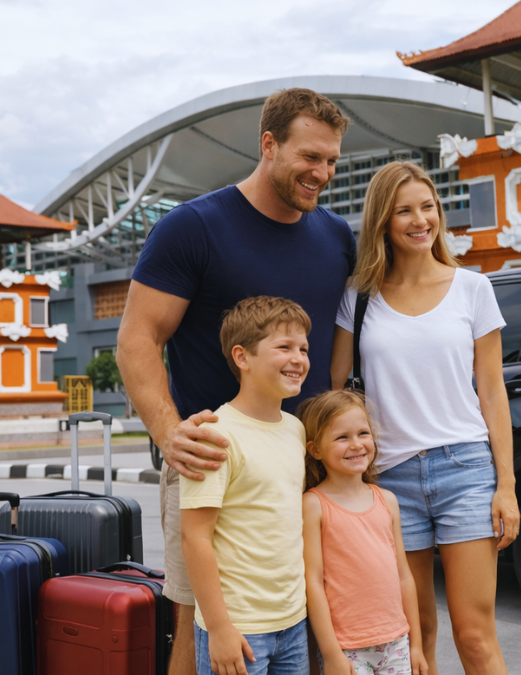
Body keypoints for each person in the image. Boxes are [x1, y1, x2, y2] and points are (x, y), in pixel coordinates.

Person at [117, 88, 353, 674]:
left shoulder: (335, 236)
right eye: (309, 157)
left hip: (304, 460)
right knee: (199, 629)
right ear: (269, 144)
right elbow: (137, 340)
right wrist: (171, 434)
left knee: (306, 617)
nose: (321, 173)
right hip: (213, 464)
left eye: (331, 161)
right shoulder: (193, 227)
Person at [330, 162, 518, 675]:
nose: (420, 220)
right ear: (383, 222)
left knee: (475, 636)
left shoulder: (473, 288)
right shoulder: (358, 297)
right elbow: (335, 393)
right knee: (412, 635)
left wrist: (506, 484)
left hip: (467, 473)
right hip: (389, 481)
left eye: (428, 207)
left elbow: (493, 391)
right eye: (404, 210)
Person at [180, 296, 313, 675]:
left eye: (303, 348)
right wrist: (220, 627)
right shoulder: (213, 434)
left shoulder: (296, 428)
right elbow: (196, 538)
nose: (299, 358)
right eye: (284, 347)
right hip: (239, 627)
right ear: (242, 357)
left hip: (292, 621)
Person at [299, 389, 429, 675]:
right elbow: (313, 583)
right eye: (342, 437)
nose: (356, 444)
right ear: (315, 449)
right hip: (347, 648)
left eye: (363, 433)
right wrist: (331, 654)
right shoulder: (314, 505)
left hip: (397, 643)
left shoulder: (387, 500)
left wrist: (416, 645)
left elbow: (404, 576)